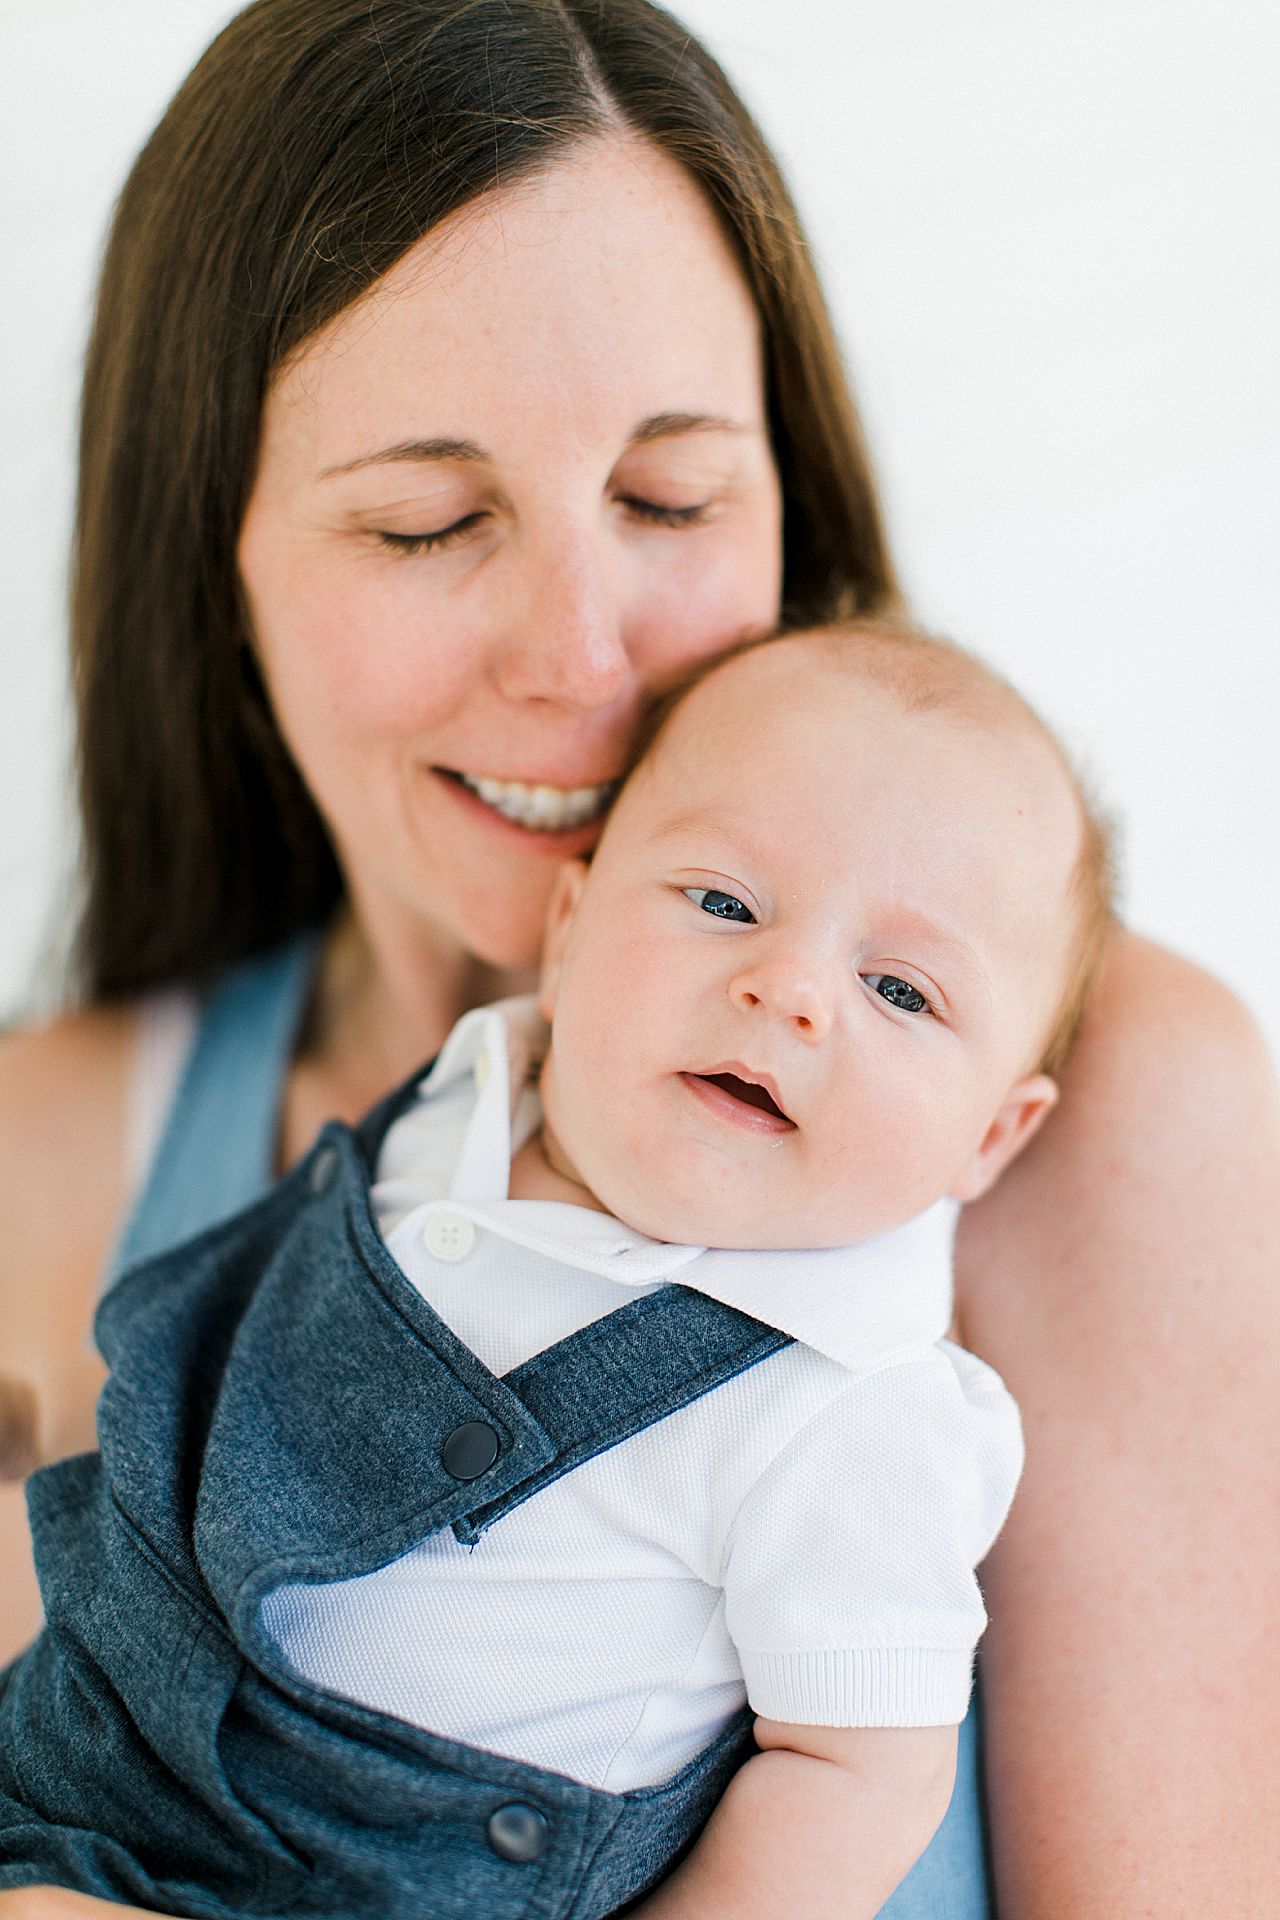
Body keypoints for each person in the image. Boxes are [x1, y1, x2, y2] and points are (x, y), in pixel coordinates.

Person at [0, 2, 1277, 1915]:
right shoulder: (43, 1154)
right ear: (221, 557)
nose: (585, 661)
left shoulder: (1117, 1109)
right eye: (431, 523)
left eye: (672, 498)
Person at [0, 621, 1111, 1918]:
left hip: (404, 1877)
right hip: (108, 1739)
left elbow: (857, 1769)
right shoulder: (460, 1104)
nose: (791, 989)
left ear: (994, 1135)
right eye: (723, 902)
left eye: (903, 992)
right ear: (572, 927)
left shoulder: (859, 1403)